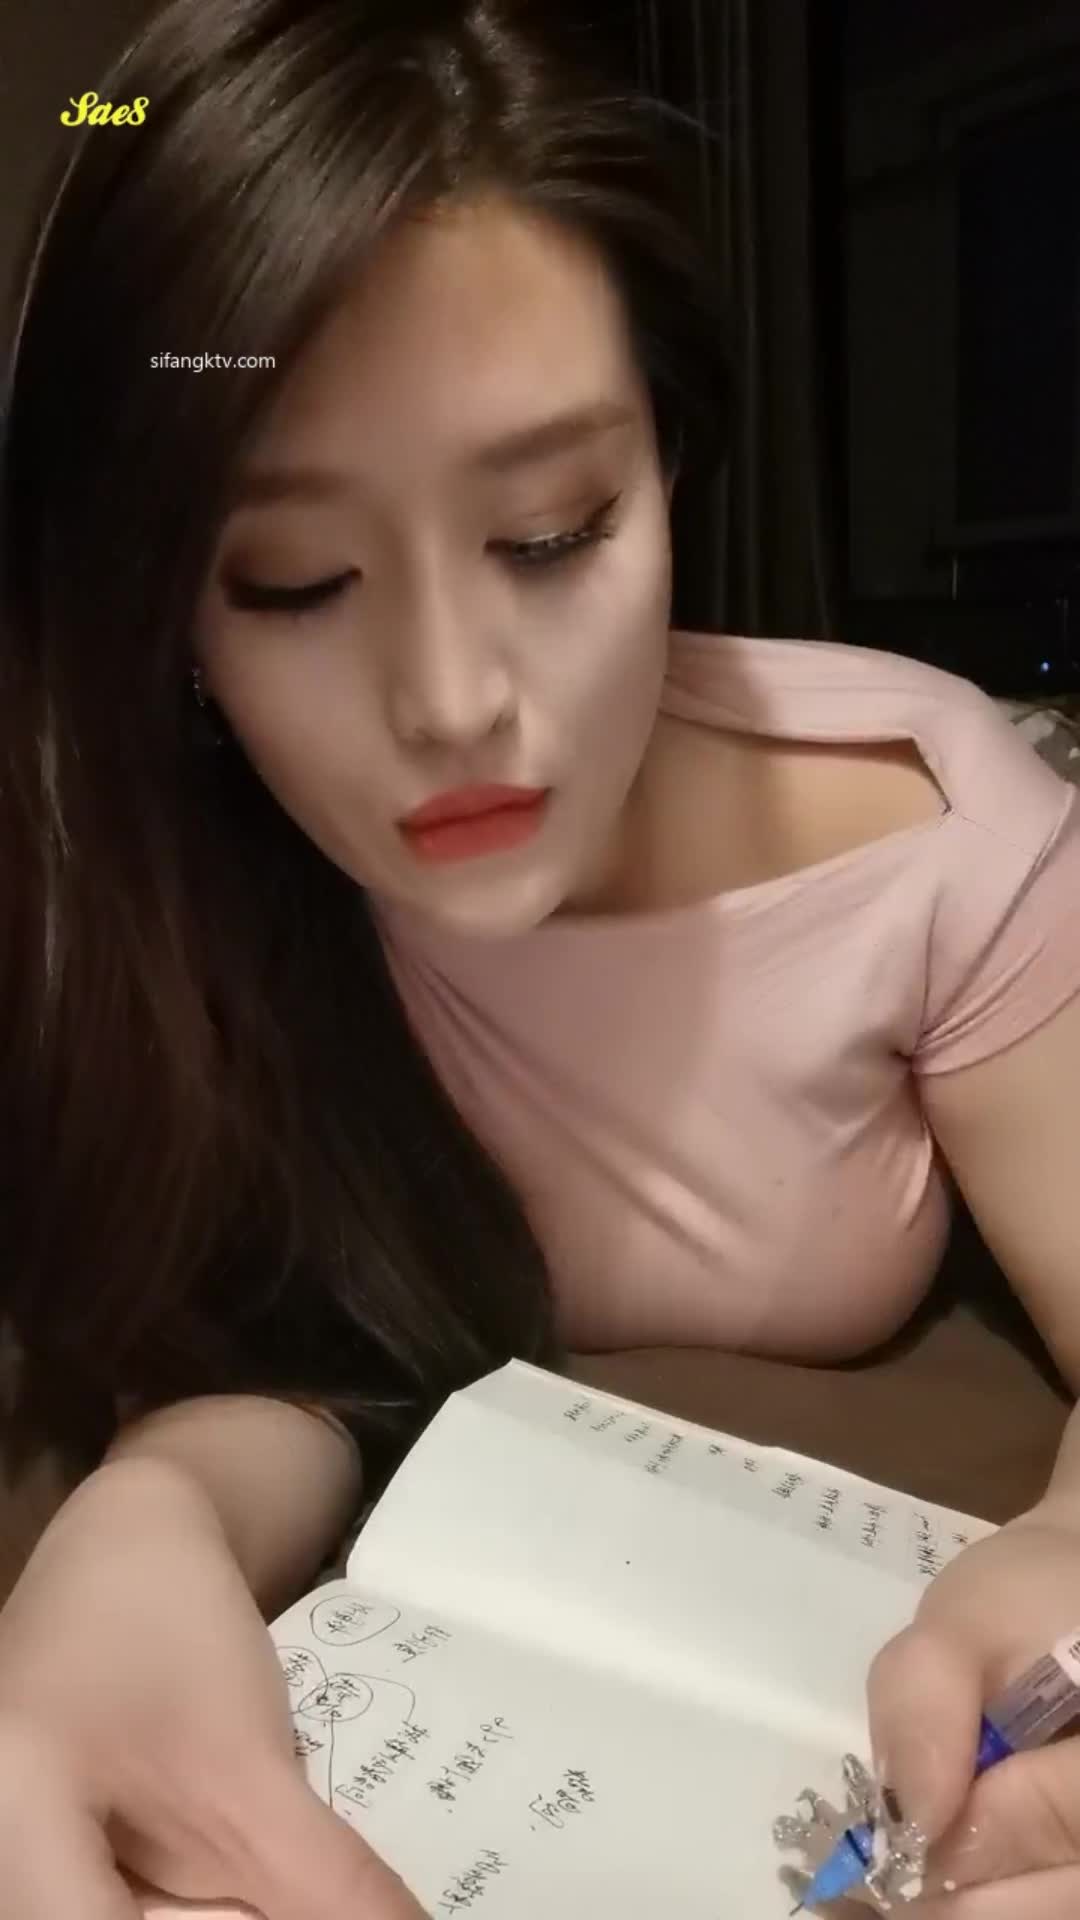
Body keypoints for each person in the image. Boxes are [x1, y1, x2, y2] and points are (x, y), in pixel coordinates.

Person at [3, 0, 1080, 1914]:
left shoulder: (924, 831)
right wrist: (143, 1518)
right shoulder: (170, 882)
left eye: (551, 531)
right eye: (296, 581)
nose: (450, 702)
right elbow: (291, 1346)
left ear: (670, 464)